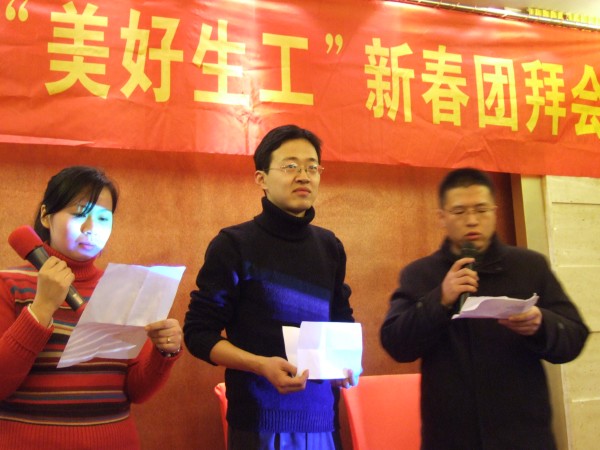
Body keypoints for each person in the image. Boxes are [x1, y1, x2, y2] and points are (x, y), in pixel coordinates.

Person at [380, 168, 589, 450]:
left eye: (481, 209)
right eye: (459, 211)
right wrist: (440, 299)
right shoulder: (420, 274)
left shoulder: (529, 266)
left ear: (494, 211)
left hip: (524, 435)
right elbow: (396, 344)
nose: (472, 220)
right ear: (442, 217)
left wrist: (542, 324)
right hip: (450, 438)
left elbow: (575, 336)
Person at [184, 124, 357, 450]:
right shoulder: (234, 244)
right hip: (260, 422)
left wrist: (347, 361)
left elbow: (341, 317)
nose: (304, 176)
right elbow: (198, 334)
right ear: (261, 178)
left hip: (321, 418)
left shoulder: (329, 246)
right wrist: (260, 365)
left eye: (312, 167)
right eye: (291, 166)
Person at [0, 166, 183, 449]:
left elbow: (136, 392)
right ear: (46, 216)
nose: (91, 228)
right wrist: (41, 308)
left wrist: (164, 352)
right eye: (78, 214)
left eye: (103, 218)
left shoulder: (124, 288)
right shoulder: (9, 283)